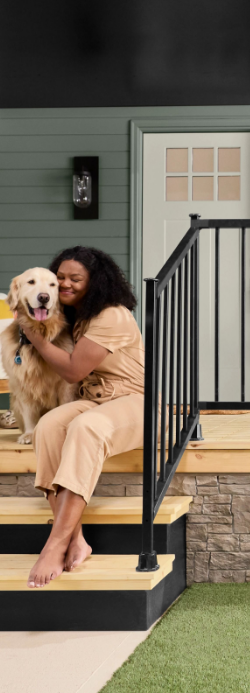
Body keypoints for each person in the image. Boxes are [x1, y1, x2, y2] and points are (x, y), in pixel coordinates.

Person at [23, 247, 144, 588]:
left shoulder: (112, 315)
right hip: (95, 400)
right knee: (48, 427)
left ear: (96, 282)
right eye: (60, 277)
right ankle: (76, 538)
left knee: (86, 427)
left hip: (136, 401)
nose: (65, 284)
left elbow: (74, 370)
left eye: (76, 278)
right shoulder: (78, 315)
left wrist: (36, 339)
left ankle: (55, 544)